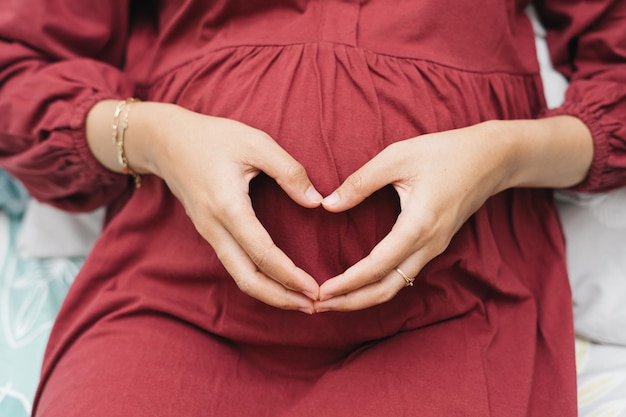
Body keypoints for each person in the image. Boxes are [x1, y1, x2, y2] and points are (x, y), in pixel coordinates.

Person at [0, 0, 624, 415]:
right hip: (170, 297)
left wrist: (503, 152)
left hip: (458, 301)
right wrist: (156, 137)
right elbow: (17, 71)